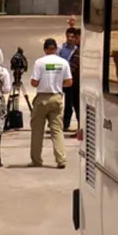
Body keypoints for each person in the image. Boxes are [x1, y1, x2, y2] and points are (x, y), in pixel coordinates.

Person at [26, 38, 71, 168]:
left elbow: (34, 82)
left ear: (45, 49)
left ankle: (36, 160)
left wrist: (44, 83)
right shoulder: (63, 62)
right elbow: (69, 82)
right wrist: (58, 85)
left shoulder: (40, 62)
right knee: (57, 130)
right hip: (57, 97)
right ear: (55, 49)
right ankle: (61, 159)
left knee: (37, 131)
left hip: (42, 98)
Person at [58, 26, 83, 135]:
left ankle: (80, 129)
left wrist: (65, 79)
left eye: (75, 37)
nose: (73, 39)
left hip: (75, 84)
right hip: (73, 83)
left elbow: (73, 67)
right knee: (72, 105)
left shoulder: (79, 51)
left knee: (77, 107)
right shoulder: (63, 49)